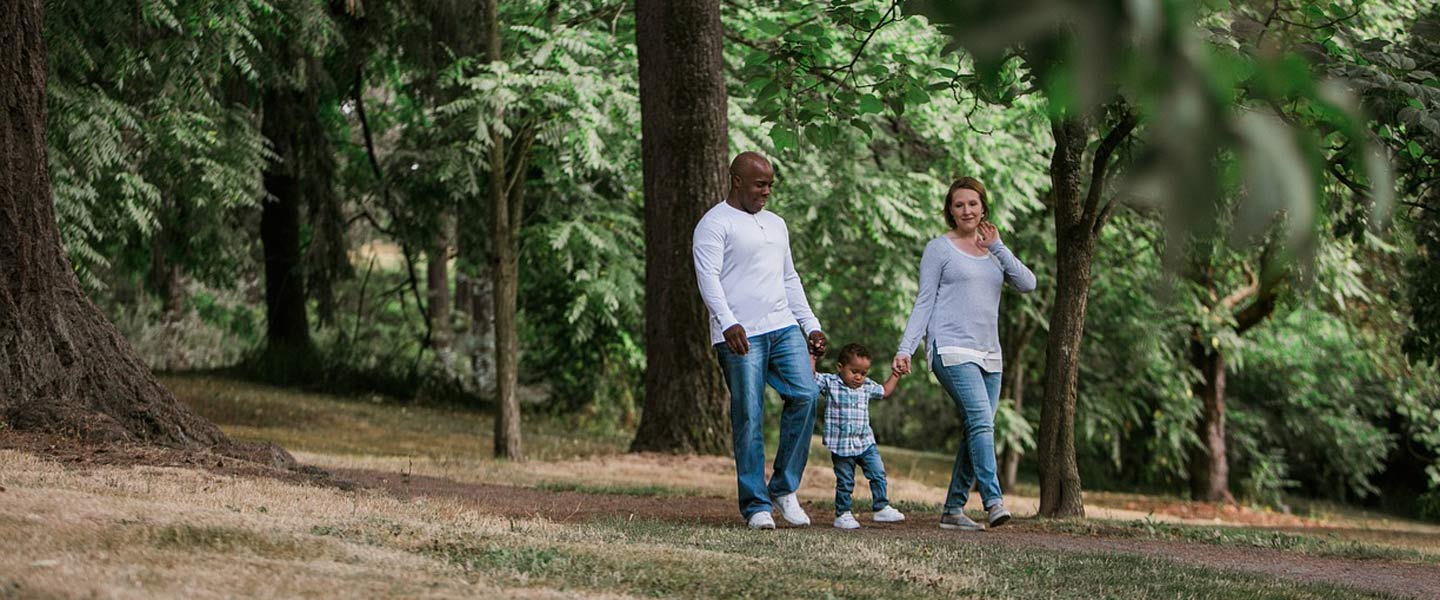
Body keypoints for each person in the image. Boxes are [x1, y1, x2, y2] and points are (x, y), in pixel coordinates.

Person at [892, 177, 1036, 531]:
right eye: (959, 205)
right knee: (981, 422)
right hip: (950, 348)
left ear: (983, 208)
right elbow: (924, 301)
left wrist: (999, 247)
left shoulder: (995, 252)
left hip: (990, 354)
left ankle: (953, 510)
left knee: (977, 427)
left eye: (973, 203)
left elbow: (1027, 284)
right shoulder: (938, 249)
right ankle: (993, 501)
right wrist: (905, 348)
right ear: (950, 211)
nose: (966, 210)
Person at [693, 152, 827, 530]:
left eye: (770, 184)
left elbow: (790, 278)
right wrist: (728, 321)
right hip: (740, 334)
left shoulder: (777, 224)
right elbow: (708, 278)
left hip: (782, 325)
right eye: (760, 184)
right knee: (749, 414)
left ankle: (784, 489)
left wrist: (810, 325)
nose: (767, 191)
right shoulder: (714, 224)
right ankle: (756, 506)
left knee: (805, 395)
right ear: (737, 181)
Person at [812, 343, 907, 529]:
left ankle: (881, 508)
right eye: (854, 371)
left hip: (865, 442)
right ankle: (843, 514)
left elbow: (885, 391)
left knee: (878, 473)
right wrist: (813, 357)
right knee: (845, 481)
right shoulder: (831, 383)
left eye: (863, 373)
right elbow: (812, 377)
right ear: (840, 367)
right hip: (841, 445)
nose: (858, 377)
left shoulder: (867, 386)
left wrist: (896, 375)